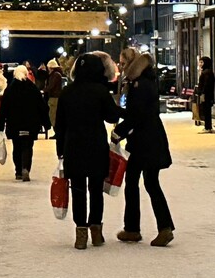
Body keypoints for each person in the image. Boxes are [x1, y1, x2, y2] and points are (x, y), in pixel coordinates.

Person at [52, 53, 120, 249]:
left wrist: (60, 151)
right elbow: (111, 116)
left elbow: (60, 125)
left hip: (73, 147)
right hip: (96, 146)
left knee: (78, 190)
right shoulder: (100, 91)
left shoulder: (67, 92)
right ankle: (96, 231)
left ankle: (80, 232)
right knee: (96, 191)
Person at [114, 50, 174, 247]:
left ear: (132, 64)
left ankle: (133, 228)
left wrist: (119, 132)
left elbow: (137, 114)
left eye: (123, 64)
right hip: (150, 139)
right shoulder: (142, 81)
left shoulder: (140, 84)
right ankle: (163, 227)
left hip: (144, 141)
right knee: (150, 182)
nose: (121, 67)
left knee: (134, 181)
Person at [0, 65, 48, 181]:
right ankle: (26, 168)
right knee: (28, 147)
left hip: (15, 124)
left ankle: (18, 170)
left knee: (17, 146)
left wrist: (0, 126)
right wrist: (46, 123)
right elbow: (42, 107)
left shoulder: (9, 90)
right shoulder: (33, 89)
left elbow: (3, 109)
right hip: (31, 124)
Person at [196, 56, 215, 132]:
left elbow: (206, 85)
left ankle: (208, 127)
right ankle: (207, 127)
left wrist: (202, 93)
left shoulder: (206, 72)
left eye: (202, 62)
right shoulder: (207, 71)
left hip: (206, 95)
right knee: (206, 111)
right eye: (200, 62)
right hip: (207, 94)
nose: (200, 64)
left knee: (206, 111)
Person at [44, 60, 65, 135]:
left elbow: (51, 86)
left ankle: (57, 133)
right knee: (53, 116)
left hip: (54, 98)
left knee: (53, 116)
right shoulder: (56, 74)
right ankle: (57, 133)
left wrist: (44, 90)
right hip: (54, 97)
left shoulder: (55, 75)